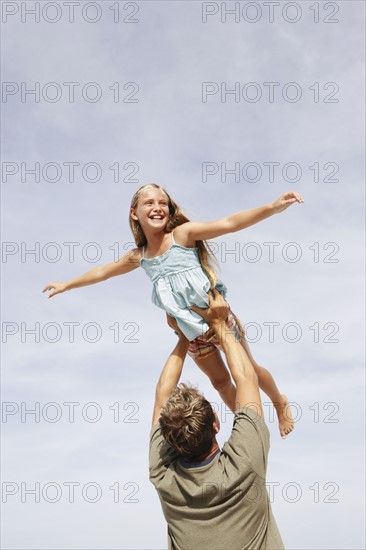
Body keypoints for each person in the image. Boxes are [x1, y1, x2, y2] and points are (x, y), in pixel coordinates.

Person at [42, 183, 304, 437]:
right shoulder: (140, 256)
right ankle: (248, 427)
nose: (157, 207)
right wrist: (68, 284)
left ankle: (279, 402)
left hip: (218, 317)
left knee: (250, 371)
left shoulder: (182, 235)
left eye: (162, 203)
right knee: (221, 383)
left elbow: (229, 224)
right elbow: (103, 272)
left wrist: (273, 207)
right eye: (149, 203)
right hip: (192, 332)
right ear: (135, 213)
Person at [149, 289, 285, 550]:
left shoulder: (163, 475)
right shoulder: (244, 464)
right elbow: (246, 378)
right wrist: (219, 323)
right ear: (216, 424)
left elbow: (161, 395)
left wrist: (184, 336)